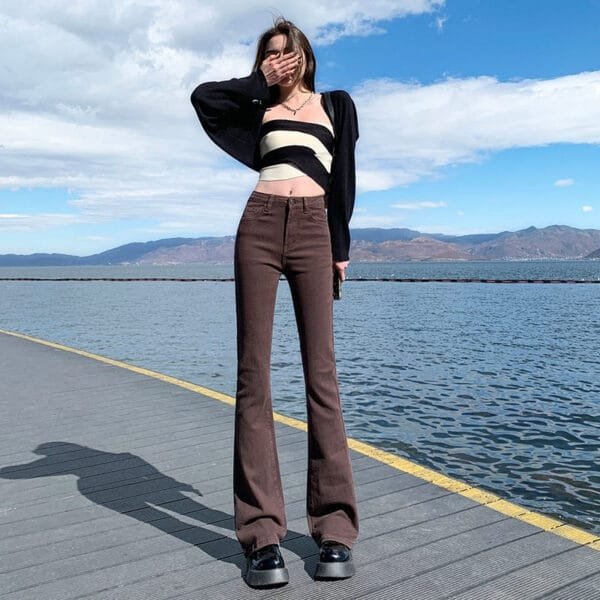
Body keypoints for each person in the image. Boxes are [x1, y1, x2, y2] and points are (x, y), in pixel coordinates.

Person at [190, 16, 359, 588]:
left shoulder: (337, 105)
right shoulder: (255, 105)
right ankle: (262, 536)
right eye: (271, 54)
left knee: (322, 377)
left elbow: (344, 182)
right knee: (252, 378)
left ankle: (334, 530)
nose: (281, 60)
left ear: (307, 57)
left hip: (315, 231)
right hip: (258, 227)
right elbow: (203, 98)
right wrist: (256, 80)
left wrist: (340, 246)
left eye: (288, 52)